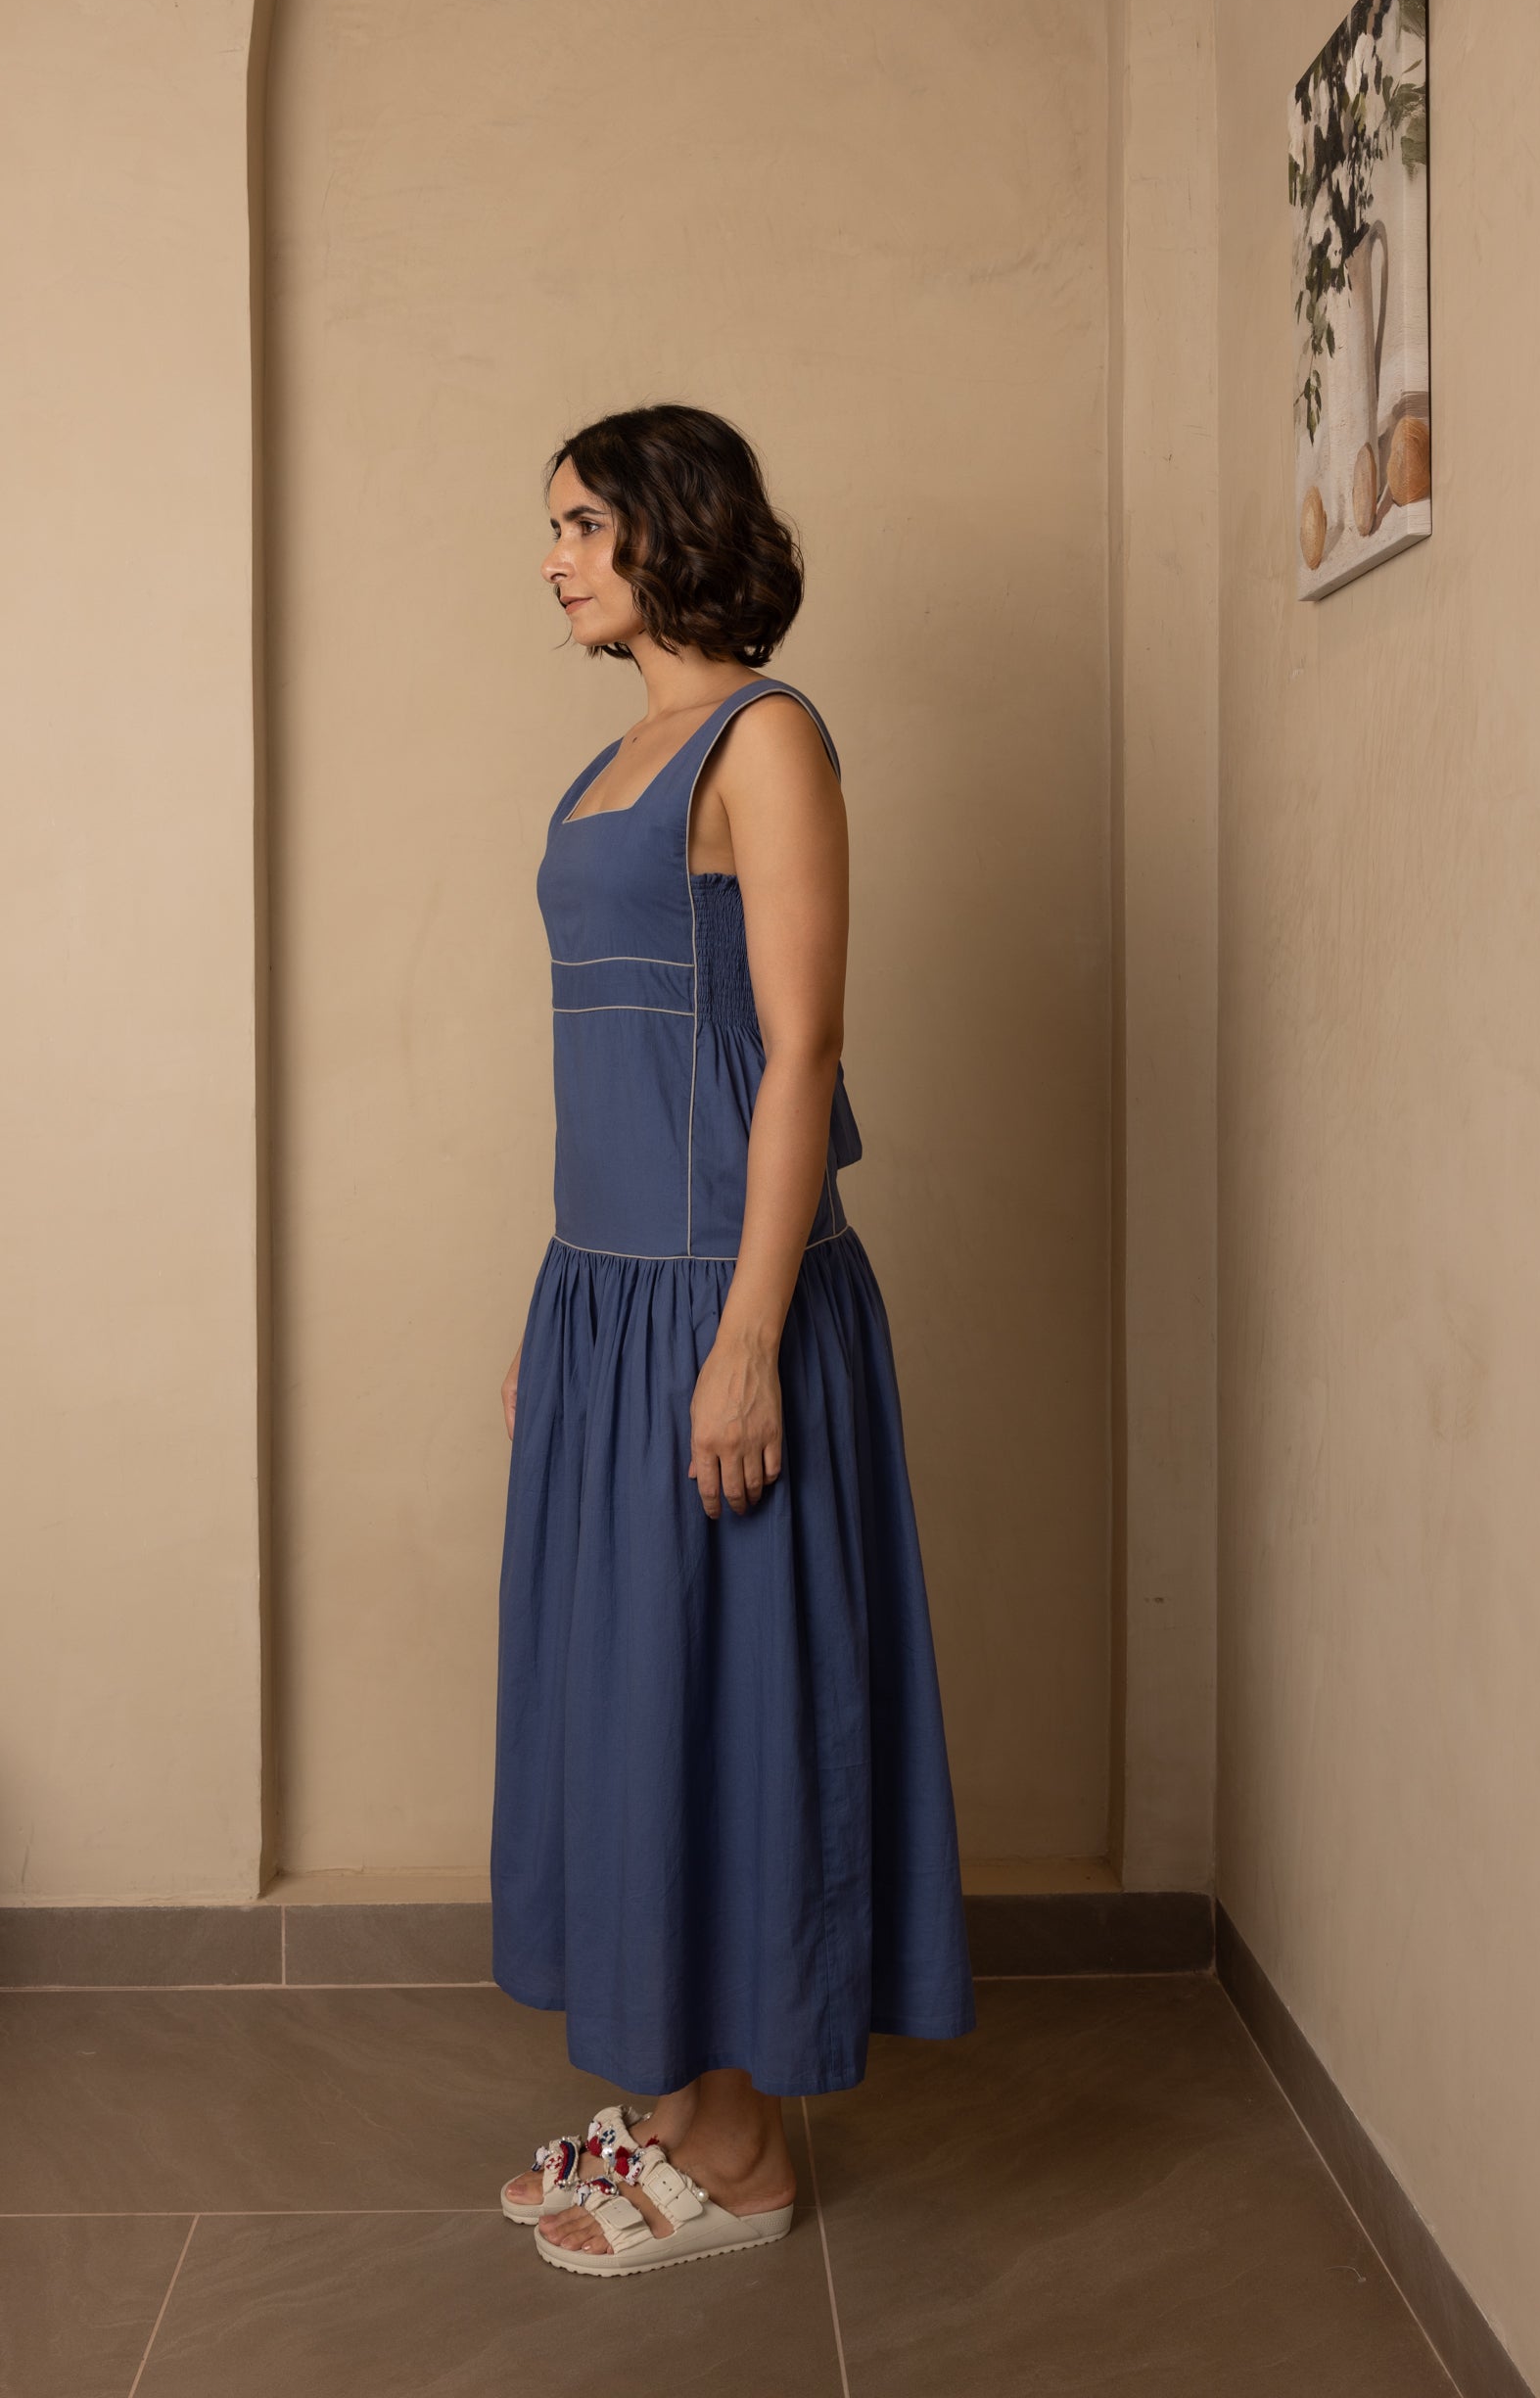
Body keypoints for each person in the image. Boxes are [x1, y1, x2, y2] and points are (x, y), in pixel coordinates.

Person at [491, 404, 973, 2280]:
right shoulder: (615, 755)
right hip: (608, 1296)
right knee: (640, 1709)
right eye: (551, 528)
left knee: (736, 1707)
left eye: (580, 524)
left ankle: (749, 2155)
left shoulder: (765, 738)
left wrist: (751, 1333)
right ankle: (682, 2103)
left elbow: (801, 1047)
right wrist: (560, 1308)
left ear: (669, 528)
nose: (553, 558)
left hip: (722, 1291)